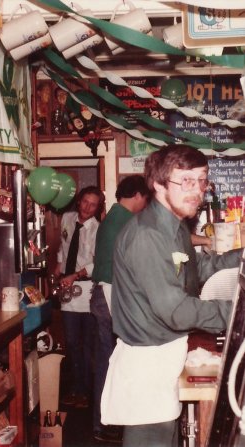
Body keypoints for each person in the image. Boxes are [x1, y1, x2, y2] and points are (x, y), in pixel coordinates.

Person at [101, 144, 242, 447]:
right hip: (147, 366)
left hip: (165, 358)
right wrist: (237, 313)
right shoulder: (148, 235)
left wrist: (241, 256)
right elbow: (176, 311)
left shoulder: (174, 227)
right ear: (158, 185)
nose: (197, 191)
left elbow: (201, 268)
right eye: (186, 181)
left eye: (201, 180)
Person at [91, 175, 150, 443]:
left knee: (109, 360)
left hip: (106, 294)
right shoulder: (125, 220)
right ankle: (104, 423)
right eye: (145, 199)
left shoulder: (114, 217)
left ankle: (105, 421)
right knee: (110, 362)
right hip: (110, 294)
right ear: (137, 195)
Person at [54, 185, 105, 408]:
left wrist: (75, 274)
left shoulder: (98, 230)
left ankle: (86, 392)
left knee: (87, 345)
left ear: (98, 208)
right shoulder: (67, 218)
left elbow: (97, 263)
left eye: (93, 204)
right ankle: (76, 389)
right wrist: (58, 264)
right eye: (85, 201)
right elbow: (63, 246)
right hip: (68, 289)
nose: (88, 207)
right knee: (72, 342)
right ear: (79, 201)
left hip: (87, 290)